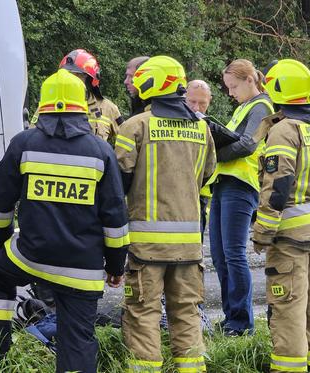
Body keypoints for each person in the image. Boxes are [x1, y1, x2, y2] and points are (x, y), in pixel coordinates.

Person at [0, 69, 129, 373]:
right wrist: (114, 267)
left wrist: (2, 244)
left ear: (42, 104)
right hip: (82, 269)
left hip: (31, 256)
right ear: (82, 105)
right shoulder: (101, 152)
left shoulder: (24, 144)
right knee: (78, 339)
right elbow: (115, 219)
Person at [115, 55, 216, 372]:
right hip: (189, 245)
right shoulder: (202, 129)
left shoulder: (134, 127)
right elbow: (207, 175)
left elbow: (119, 182)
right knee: (186, 312)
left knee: (143, 313)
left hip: (146, 247)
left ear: (151, 83)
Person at [252, 59, 310, 373]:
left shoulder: (284, 130)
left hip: (291, 236)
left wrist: (263, 232)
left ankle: (288, 369)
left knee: (288, 308)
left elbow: (278, 185)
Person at [207, 58, 273, 336]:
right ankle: (230, 317)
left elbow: (247, 144)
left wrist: (212, 154)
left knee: (233, 254)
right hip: (223, 182)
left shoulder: (262, 106)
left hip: (241, 184)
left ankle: (242, 322)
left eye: (233, 86)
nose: (230, 93)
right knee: (220, 255)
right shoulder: (244, 106)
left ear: (250, 80)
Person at [60, 49, 124, 145]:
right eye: (68, 76)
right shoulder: (51, 105)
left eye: (78, 76)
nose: (72, 81)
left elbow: (127, 143)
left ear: (91, 79)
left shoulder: (108, 108)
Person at [185, 79, 213, 237]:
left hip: (201, 193)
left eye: (202, 103)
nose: (196, 108)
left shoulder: (208, 127)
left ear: (209, 100)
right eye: (192, 102)